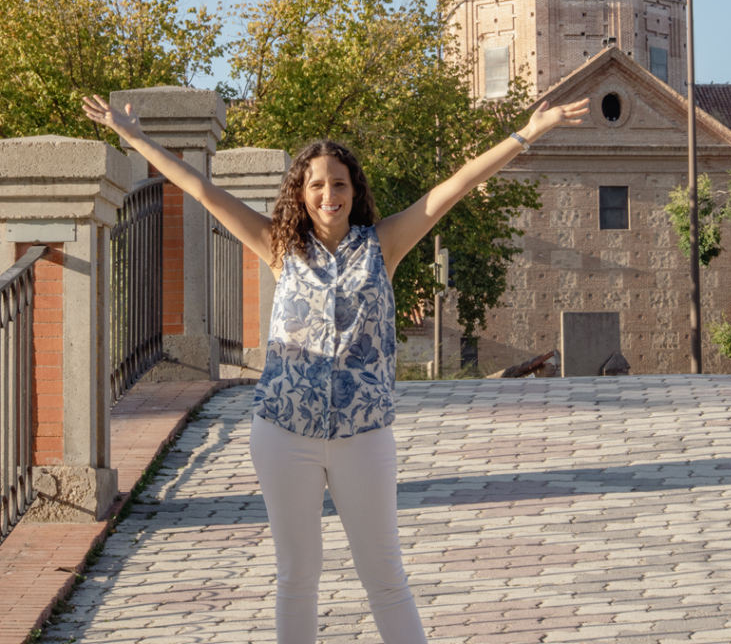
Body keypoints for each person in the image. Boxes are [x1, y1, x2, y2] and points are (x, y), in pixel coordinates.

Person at [82, 92, 589, 644]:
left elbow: (458, 185)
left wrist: (529, 132)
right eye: (317, 184)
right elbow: (200, 188)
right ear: (301, 194)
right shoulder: (279, 247)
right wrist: (132, 136)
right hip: (283, 432)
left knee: (386, 577)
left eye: (339, 183)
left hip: (363, 436)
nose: (329, 194)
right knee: (297, 577)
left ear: (355, 191)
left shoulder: (384, 245)